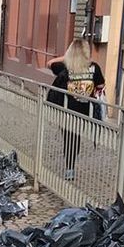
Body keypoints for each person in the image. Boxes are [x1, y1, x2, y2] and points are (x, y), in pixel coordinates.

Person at [46, 39, 105, 181]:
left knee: (69, 137)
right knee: (76, 136)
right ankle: (70, 168)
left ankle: (70, 168)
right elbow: (101, 84)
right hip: (84, 110)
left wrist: (67, 57)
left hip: (66, 109)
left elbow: (49, 63)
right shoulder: (94, 67)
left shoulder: (65, 67)